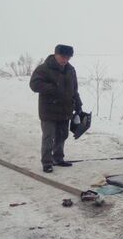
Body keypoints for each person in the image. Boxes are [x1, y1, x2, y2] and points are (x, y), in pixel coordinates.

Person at [29, 44, 83, 173]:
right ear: (55, 54)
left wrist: (78, 104)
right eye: (63, 57)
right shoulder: (44, 68)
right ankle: (47, 162)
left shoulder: (71, 70)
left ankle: (58, 158)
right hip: (48, 110)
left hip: (65, 109)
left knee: (62, 135)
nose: (65, 60)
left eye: (68, 57)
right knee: (49, 136)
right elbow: (34, 84)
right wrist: (53, 88)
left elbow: (74, 89)